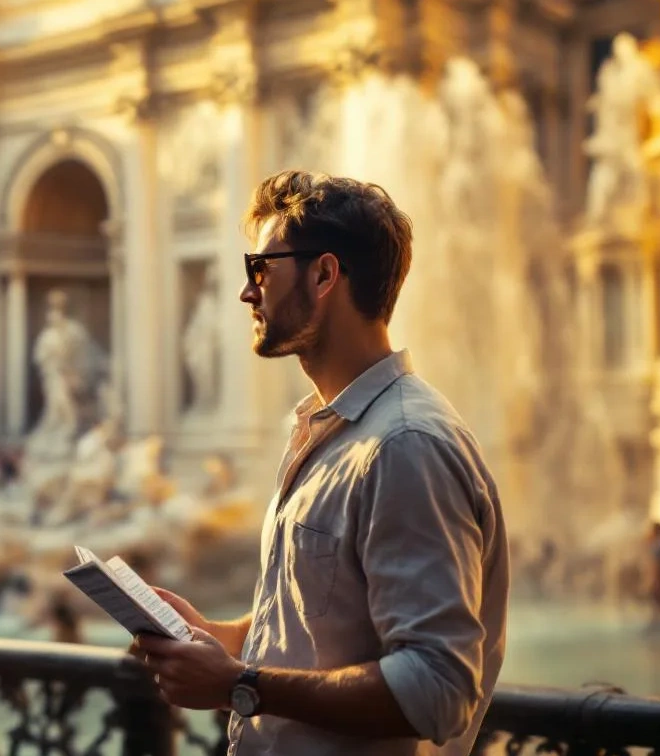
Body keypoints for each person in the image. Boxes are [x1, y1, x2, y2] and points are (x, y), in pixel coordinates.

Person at [134, 170, 510, 756]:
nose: (246, 291)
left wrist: (238, 684)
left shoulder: (405, 445)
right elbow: (317, 632)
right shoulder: (325, 428)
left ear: (325, 274)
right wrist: (216, 638)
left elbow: (437, 688)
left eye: (260, 268)